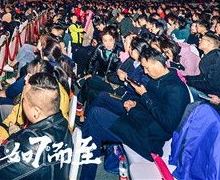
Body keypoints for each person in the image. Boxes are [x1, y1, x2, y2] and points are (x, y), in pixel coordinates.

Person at [80, 48, 189, 180]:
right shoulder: (158, 79)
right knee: (95, 121)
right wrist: (135, 103)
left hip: (149, 138)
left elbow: (168, 124)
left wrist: (142, 98)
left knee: (95, 115)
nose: (145, 72)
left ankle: (87, 162)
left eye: (147, 68)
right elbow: (148, 105)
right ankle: (88, 163)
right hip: (140, 123)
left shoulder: (176, 89)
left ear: (158, 64)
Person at [0, 72, 72, 180]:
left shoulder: (28, 151)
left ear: (36, 112)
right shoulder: (62, 124)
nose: (21, 102)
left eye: (23, 99)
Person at [185, 32, 220, 99]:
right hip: (209, 90)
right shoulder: (212, 55)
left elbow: (212, 84)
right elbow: (202, 77)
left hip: (215, 95)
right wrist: (186, 78)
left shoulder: (216, 59)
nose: (199, 41)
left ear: (210, 44)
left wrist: (188, 81)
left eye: (202, 39)